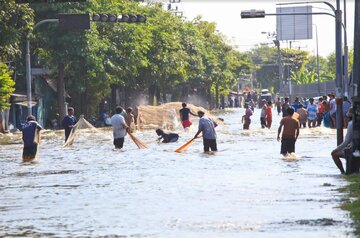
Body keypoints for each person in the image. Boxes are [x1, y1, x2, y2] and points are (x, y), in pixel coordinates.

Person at [331, 108, 353, 174]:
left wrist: (336, 149)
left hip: (353, 149)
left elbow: (346, 142)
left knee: (334, 154)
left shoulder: (351, 124)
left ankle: (343, 172)